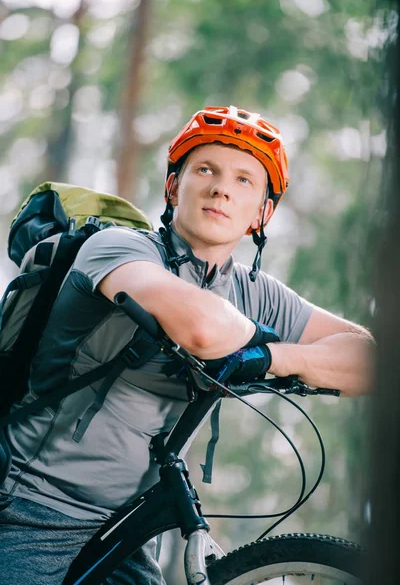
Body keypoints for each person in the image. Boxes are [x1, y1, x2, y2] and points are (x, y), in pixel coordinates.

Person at [0, 106, 374, 584]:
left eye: (244, 180)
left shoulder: (255, 292)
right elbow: (203, 329)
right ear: (174, 186)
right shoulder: (119, 249)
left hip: (126, 529)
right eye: (206, 170)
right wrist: (265, 348)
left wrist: (274, 356)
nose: (221, 187)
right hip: (32, 510)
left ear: (262, 212)